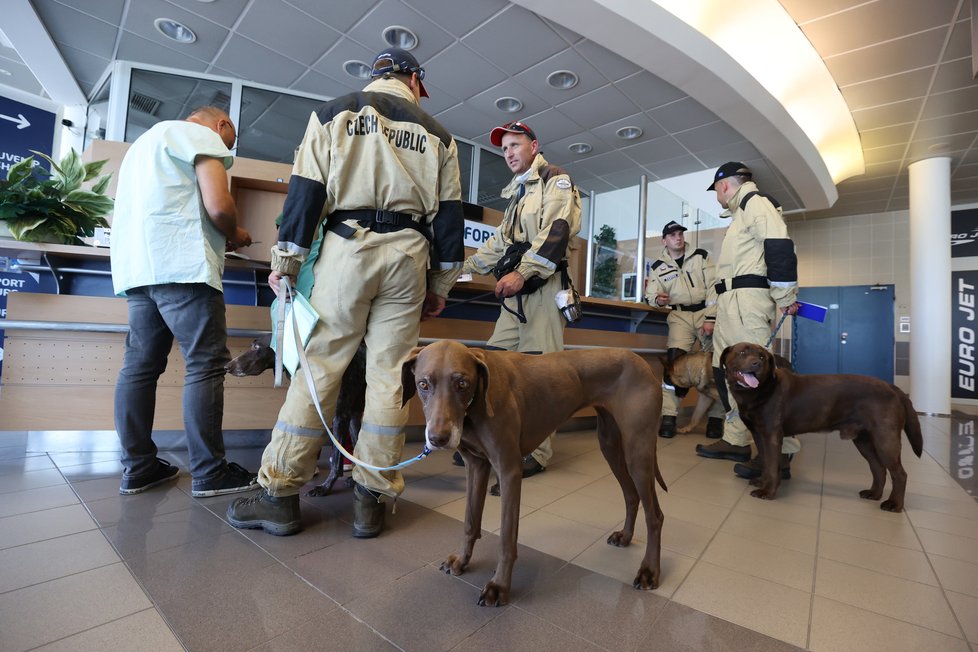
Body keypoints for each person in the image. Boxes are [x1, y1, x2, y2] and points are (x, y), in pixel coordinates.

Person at [226, 48, 465, 538]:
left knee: (319, 370)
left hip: (347, 248)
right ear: (415, 82)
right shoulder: (440, 136)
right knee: (389, 378)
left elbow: (307, 191)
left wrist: (286, 264)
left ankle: (280, 494)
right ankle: (371, 499)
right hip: (409, 256)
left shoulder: (334, 112)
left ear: (376, 76)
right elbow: (449, 216)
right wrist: (438, 285)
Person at [111, 105, 258, 497]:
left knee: (139, 368)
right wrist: (237, 233)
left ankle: (139, 467)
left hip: (139, 270)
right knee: (206, 366)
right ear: (222, 125)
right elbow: (219, 206)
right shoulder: (200, 136)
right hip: (182, 266)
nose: (227, 149)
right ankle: (210, 472)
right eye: (230, 143)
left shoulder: (141, 147)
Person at [460, 120, 582, 478]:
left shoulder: (555, 180)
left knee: (543, 376)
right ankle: (494, 440)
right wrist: (459, 270)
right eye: (505, 149)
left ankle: (537, 453)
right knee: (492, 365)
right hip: (514, 299)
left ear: (533, 146)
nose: (509, 153)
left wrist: (522, 273)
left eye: (515, 145)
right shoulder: (517, 193)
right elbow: (498, 246)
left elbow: (556, 233)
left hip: (542, 291)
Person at [695, 162, 801, 479]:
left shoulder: (756, 204)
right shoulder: (740, 215)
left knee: (760, 376)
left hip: (747, 303)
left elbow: (779, 247)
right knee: (726, 371)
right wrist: (713, 313)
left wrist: (785, 298)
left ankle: (781, 452)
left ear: (724, 185)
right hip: (731, 304)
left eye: (715, 189)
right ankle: (736, 440)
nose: (716, 195)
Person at [646, 220, 724, 439]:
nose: (678, 238)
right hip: (680, 316)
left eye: (680, 233)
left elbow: (714, 288)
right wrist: (658, 300)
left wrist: (710, 317)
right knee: (674, 364)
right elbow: (652, 295)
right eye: (672, 235)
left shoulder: (701, 256)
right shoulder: (658, 267)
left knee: (717, 365)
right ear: (664, 241)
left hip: (705, 313)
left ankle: (716, 419)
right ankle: (669, 416)